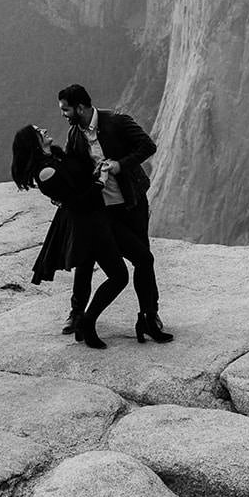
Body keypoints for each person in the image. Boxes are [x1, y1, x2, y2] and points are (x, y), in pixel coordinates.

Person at [57, 83, 173, 344]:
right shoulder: (75, 136)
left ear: (81, 107)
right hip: (101, 211)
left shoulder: (116, 122)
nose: (63, 114)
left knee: (143, 258)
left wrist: (121, 165)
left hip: (130, 204)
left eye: (66, 110)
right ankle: (77, 314)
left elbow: (147, 146)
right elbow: (72, 171)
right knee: (86, 259)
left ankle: (149, 316)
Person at [10, 123, 129, 349]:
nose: (44, 130)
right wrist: (101, 181)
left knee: (86, 267)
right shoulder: (45, 172)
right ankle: (86, 320)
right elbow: (79, 202)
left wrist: (94, 174)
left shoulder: (55, 158)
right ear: (33, 143)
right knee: (119, 276)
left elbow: (76, 185)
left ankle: (79, 317)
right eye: (38, 132)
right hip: (87, 226)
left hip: (91, 221)